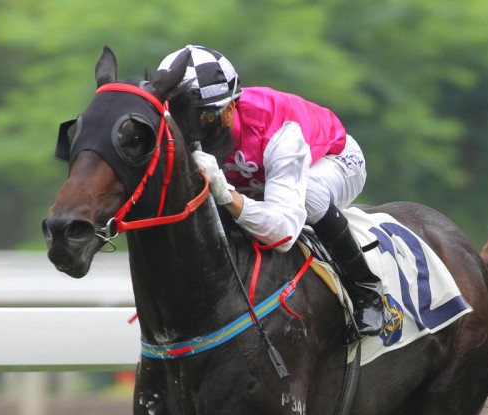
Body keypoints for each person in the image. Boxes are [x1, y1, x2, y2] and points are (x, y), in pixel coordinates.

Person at [158, 45, 384, 341]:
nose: (192, 130)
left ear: (230, 108)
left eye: (203, 118)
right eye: (179, 117)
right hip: (264, 181)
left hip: (336, 159)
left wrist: (226, 194)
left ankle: (366, 289)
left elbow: (283, 232)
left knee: (309, 196)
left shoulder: (279, 130)